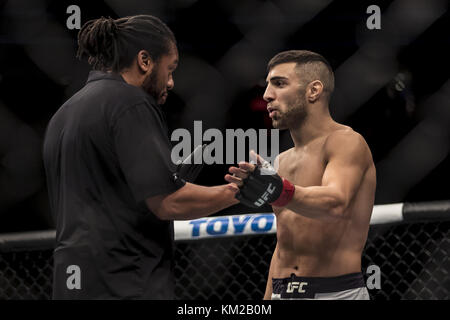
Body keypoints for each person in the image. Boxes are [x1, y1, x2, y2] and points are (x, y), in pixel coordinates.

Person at [43, 15, 238, 299]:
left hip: (72, 280)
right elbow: (169, 202)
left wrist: (171, 177)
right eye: (170, 69)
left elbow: (112, 195)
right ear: (145, 60)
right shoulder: (130, 102)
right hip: (125, 281)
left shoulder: (64, 113)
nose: (171, 83)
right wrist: (239, 191)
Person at [225, 50, 376, 300]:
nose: (266, 95)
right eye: (267, 85)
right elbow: (284, 244)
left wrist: (281, 191)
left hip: (336, 293)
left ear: (313, 90)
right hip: (283, 293)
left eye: (279, 83)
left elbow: (335, 203)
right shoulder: (282, 161)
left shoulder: (346, 142)